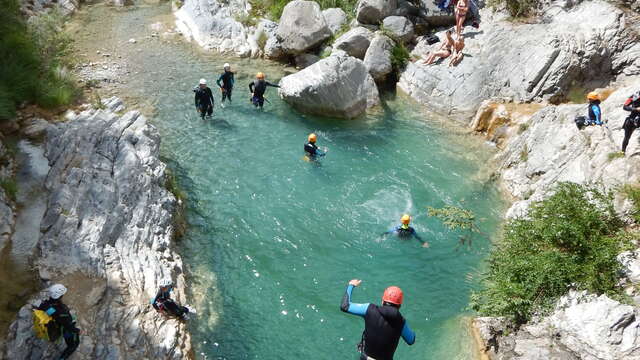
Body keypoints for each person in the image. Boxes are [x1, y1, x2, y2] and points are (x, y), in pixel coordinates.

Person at [340, 279, 416, 360]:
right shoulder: (401, 322)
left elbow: (345, 306)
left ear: (383, 301)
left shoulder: (369, 309)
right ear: (399, 306)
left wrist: (351, 285)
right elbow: (411, 340)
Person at [37, 284, 80, 360]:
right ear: (59, 296)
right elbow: (68, 326)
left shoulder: (45, 304)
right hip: (63, 327)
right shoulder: (62, 313)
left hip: (55, 321)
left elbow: (46, 311)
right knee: (73, 345)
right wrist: (76, 330)